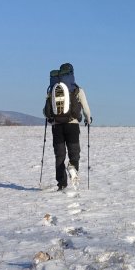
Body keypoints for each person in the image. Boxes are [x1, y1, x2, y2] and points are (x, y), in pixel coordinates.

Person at [43, 62, 93, 191]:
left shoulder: (53, 88)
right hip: (72, 125)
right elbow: (86, 108)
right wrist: (88, 118)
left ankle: (61, 184)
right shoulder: (77, 89)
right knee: (74, 153)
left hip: (57, 127)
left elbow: (45, 111)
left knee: (59, 156)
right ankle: (72, 167)